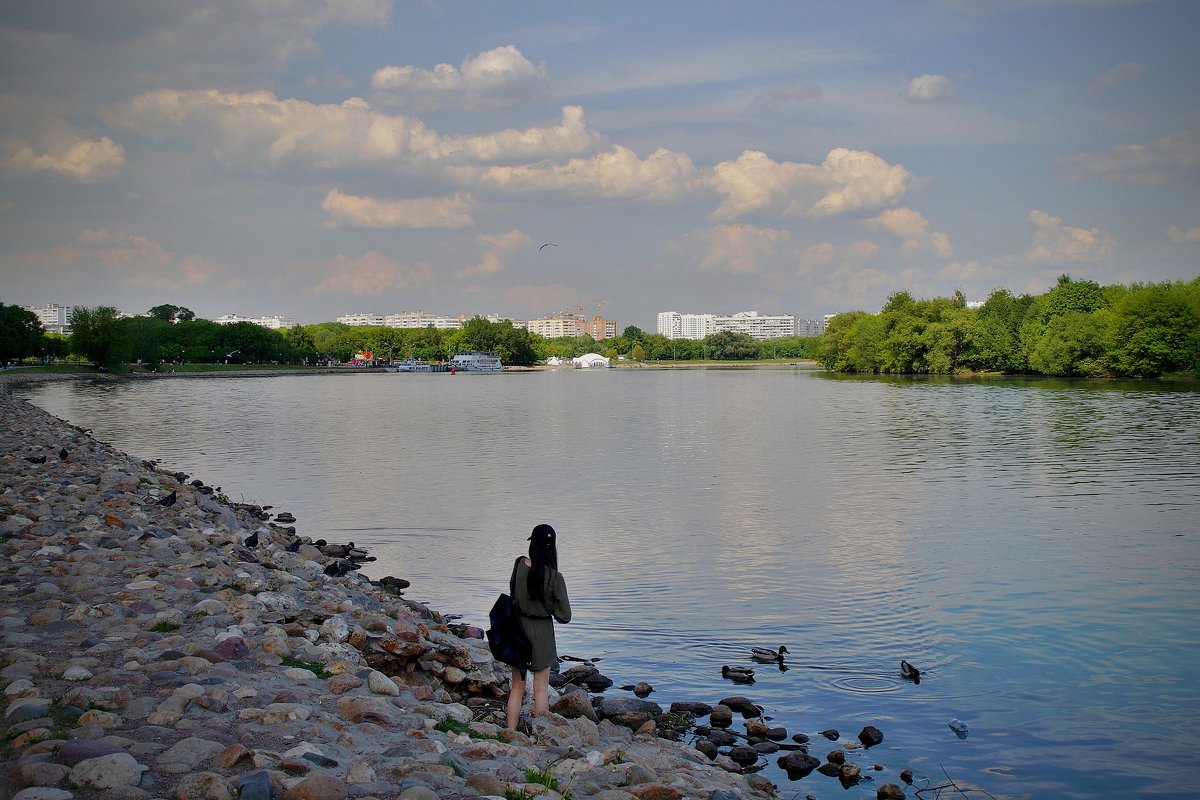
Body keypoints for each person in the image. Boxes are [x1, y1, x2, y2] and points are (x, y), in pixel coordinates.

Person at [506, 523, 572, 732]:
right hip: (542, 632)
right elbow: (565, 616)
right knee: (541, 689)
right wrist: (547, 606)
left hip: (518, 629)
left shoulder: (519, 565)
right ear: (552, 548)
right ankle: (540, 735)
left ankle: (510, 731)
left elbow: (512, 593)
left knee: (517, 687)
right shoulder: (554, 577)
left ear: (532, 545)